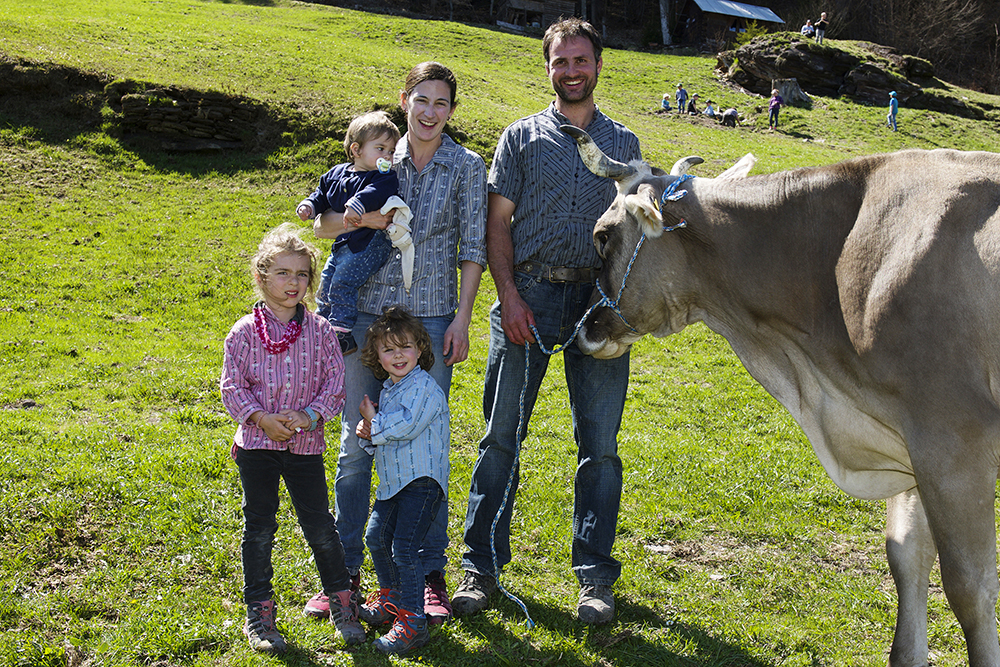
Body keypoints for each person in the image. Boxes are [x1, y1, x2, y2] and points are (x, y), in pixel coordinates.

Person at [452, 16, 641, 626]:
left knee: (600, 448)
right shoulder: (521, 138)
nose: (571, 71)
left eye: (581, 60)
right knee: (500, 436)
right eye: (561, 62)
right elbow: (496, 223)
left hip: (598, 305)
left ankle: (594, 579)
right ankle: (480, 568)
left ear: (598, 65)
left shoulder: (626, 146)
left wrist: (624, 306)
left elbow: (637, 238)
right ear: (548, 68)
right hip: (526, 295)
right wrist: (507, 295)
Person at [307, 61, 487, 626]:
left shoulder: (465, 165)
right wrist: (366, 222)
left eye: (442, 103)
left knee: (425, 447)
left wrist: (461, 319)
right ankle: (344, 574)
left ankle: (428, 573)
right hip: (363, 315)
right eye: (422, 100)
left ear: (452, 111)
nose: (431, 112)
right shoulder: (377, 155)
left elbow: (473, 245)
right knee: (356, 443)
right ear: (405, 100)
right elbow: (325, 225)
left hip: (431, 319)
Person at [220, 223, 366, 654]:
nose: (293, 283)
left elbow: (335, 385)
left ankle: (343, 604)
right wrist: (261, 419)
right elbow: (232, 386)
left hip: (305, 448)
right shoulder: (243, 332)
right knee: (259, 527)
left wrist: (306, 415)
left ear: (311, 280)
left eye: (301, 274)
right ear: (262, 277)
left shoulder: (321, 331)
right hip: (258, 447)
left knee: (321, 526)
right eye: (282, 273)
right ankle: (260, 615)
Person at [354, 306, 450, 654]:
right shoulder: (390, 388)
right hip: (394, 482)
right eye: (388, 349)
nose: (398, 355)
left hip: (422, 483)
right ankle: (392, 597)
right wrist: (369, 429)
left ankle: (413, 622)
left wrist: (373, 423)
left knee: (405, 549)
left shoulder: (425, 387)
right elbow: (383, 437)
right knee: (376, 538)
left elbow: (406, 426)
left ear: (421, 349)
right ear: (377, 356)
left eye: (405, 347)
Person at [296, 111, 401, 356]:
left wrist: (358, 204)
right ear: (356, 150)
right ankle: (322, 326)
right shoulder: (337, 173)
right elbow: (322, 193)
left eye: (391, 151)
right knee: (326, 283)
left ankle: (342, 334)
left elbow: (376, 192)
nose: (388, 156)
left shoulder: (383, 177)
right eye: (381, 149)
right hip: (344, 245)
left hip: (370, 244)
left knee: (343, 282)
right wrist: (310, 206)